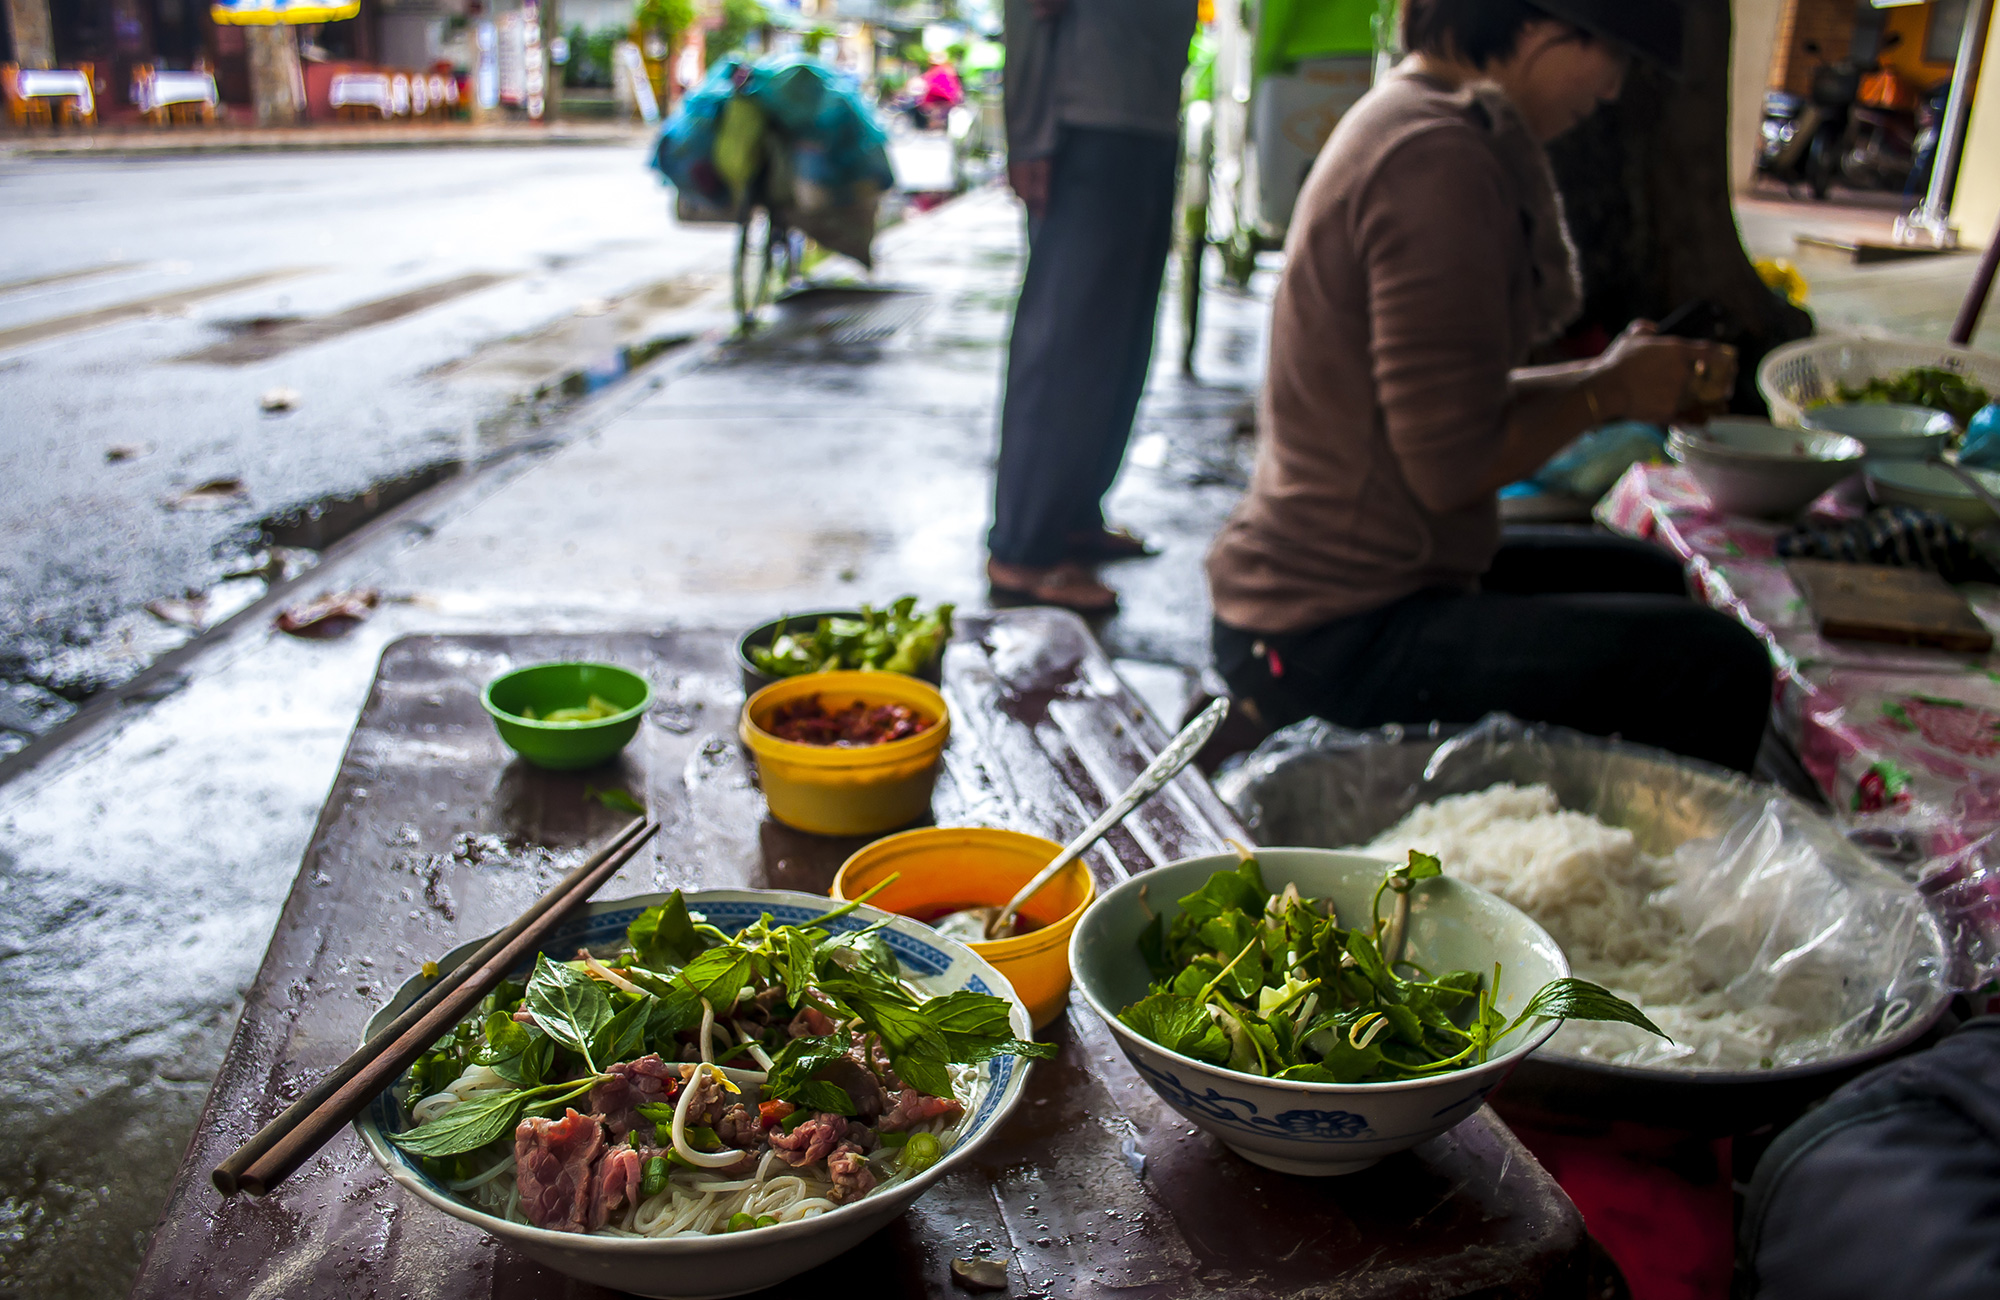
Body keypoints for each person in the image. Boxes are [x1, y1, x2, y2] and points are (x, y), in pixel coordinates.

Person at [1205, 0, 1775, 773]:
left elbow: (1452, 396)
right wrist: (1606, 395)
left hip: (1366, 576)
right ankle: (1630, 868)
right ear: (1541, 30)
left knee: (1657, 575)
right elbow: (1451, 467)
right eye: (1612, 57)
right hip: (1329, 629)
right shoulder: (1437, 160)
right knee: (1719, 666)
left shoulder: (1423, 118)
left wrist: (1612, 379)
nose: (1612, 90)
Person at [987, 0, 1201, 612]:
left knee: (1121, 336)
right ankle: (1024, 549)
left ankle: (1074, 514)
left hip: (1147, 112)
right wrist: (1028, 133)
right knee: (1067, 340)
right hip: (1086, 118)